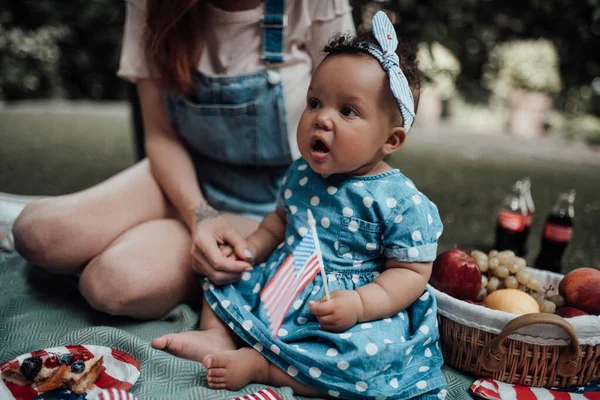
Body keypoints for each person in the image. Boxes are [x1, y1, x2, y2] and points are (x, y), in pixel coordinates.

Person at [156, 11, 448, 399]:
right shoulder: (301, 173)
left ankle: (266, 368)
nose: (321, 119)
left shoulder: (400, 201)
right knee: (227, 281)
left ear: (391, 140)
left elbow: (411, 273)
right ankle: (217, 336)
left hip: (352, 305)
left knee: (359, 357)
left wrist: (361, 304)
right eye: (314, 102)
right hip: (290, 278)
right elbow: (279, 222)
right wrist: (252, 248)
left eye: (347, 111)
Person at [10, 0, 355, 320]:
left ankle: (169, 247)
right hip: (181, 177)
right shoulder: (153, 4)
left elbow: (354, 120)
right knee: (36, 233)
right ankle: (168, 232)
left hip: (271, 208)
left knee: (109, 284)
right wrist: (199, 216)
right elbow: (160, 134)